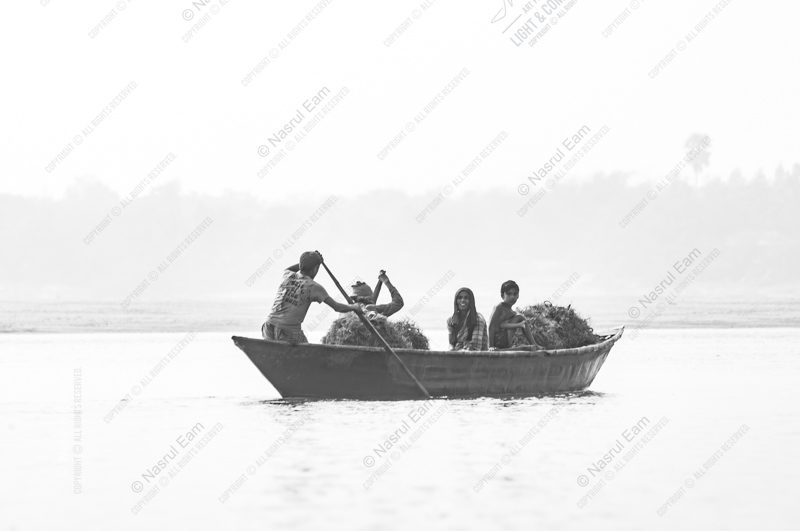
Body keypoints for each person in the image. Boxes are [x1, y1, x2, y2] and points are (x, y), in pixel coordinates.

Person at [262, 251, 361, 343]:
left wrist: (307, 262)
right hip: (289, 332)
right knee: (308, 356)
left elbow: (289, 269)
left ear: (300, 265)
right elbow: (337, 307)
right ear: (316, 268)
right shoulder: (314, 287)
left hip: (268, 326)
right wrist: (354, 307)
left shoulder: (287, 276)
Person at [487, 280, 537, 350]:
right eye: (509, 294)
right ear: (502, 295)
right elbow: (491, 327)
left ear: (518, 296)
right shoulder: (499, 307)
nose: (512, 297)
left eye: (515, 294)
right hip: (497, 342)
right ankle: (532, 345)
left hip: (506, 341)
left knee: (520, 317)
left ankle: (534, 344)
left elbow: (505, 325)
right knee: (520, 317)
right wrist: (490, 346)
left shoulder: (512, 312)